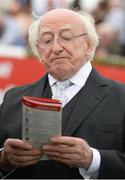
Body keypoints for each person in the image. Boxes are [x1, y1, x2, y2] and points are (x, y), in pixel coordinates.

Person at [0, 8, 125, 179]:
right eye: (46, 40)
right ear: (38, 50)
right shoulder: (12, 98)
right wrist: (4, 160)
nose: (56, 48)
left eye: (66, 38)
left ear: (88, 45)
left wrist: (92, 159)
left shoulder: (121, 97)